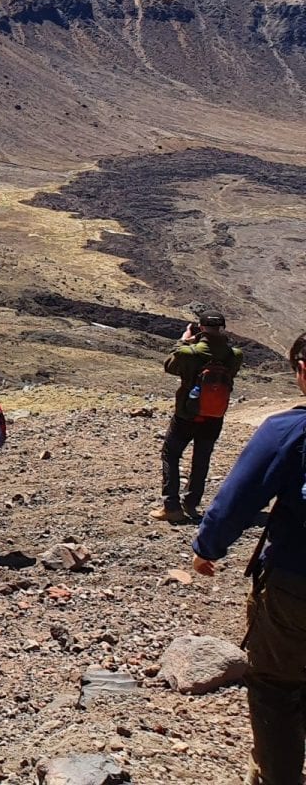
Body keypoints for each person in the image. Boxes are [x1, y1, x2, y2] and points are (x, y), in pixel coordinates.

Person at [192, 333, 306, 785]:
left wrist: (207, 548)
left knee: (277, 685)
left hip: (296, 580)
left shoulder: (289, 430)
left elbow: (238, 498)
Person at [157, 311, 245, 522]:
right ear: (222, 328)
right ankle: (191, 504)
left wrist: (183, 340)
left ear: (200, 327)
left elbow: (169, 366)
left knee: (171, 454)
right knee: (202, 458)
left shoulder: (189, 352)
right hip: (214, 415)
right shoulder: (235, 355)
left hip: (186, 415)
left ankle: (171, 506)